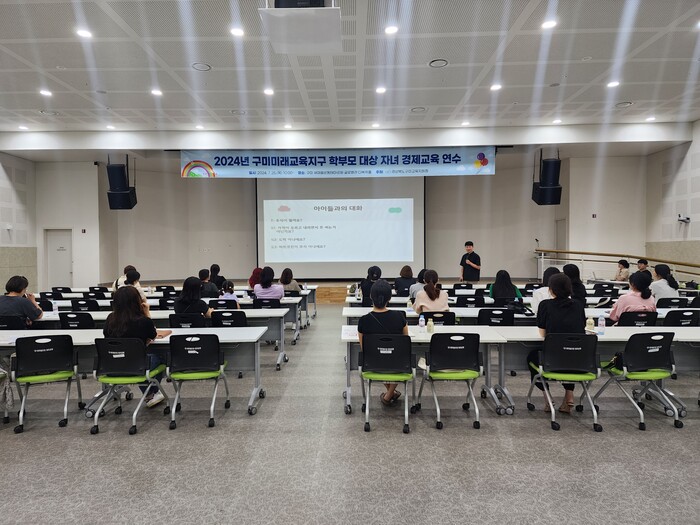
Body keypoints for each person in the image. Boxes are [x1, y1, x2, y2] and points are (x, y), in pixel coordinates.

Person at [527, 273, 586, 414]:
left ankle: (547, 398)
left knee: (532, 357)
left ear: (551, 289)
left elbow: (543, 334)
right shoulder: (578, 305)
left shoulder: (545, 305)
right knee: (569, 355)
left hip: (552, 359)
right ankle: (569, 394)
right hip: (578, 359)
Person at [103, 286, 171, 407]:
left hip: (113, 366)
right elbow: (153, 335)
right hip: (137, 366)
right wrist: (147, 313)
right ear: (137, 301)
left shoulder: (110, 319)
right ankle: (151, 393)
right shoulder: (143, 321)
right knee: (161, 355)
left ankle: (151, 393)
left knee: (139, 359)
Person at [357, 279, 408, 407]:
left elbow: (365, 349)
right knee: (395, 358)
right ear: (390, 298)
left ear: (370, 296)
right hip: (398, 364)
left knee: (381, 358)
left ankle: (389, 395)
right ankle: (390, 394)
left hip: (373, 363)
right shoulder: (400, 317)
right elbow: (405, 344)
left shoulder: (363, 320)